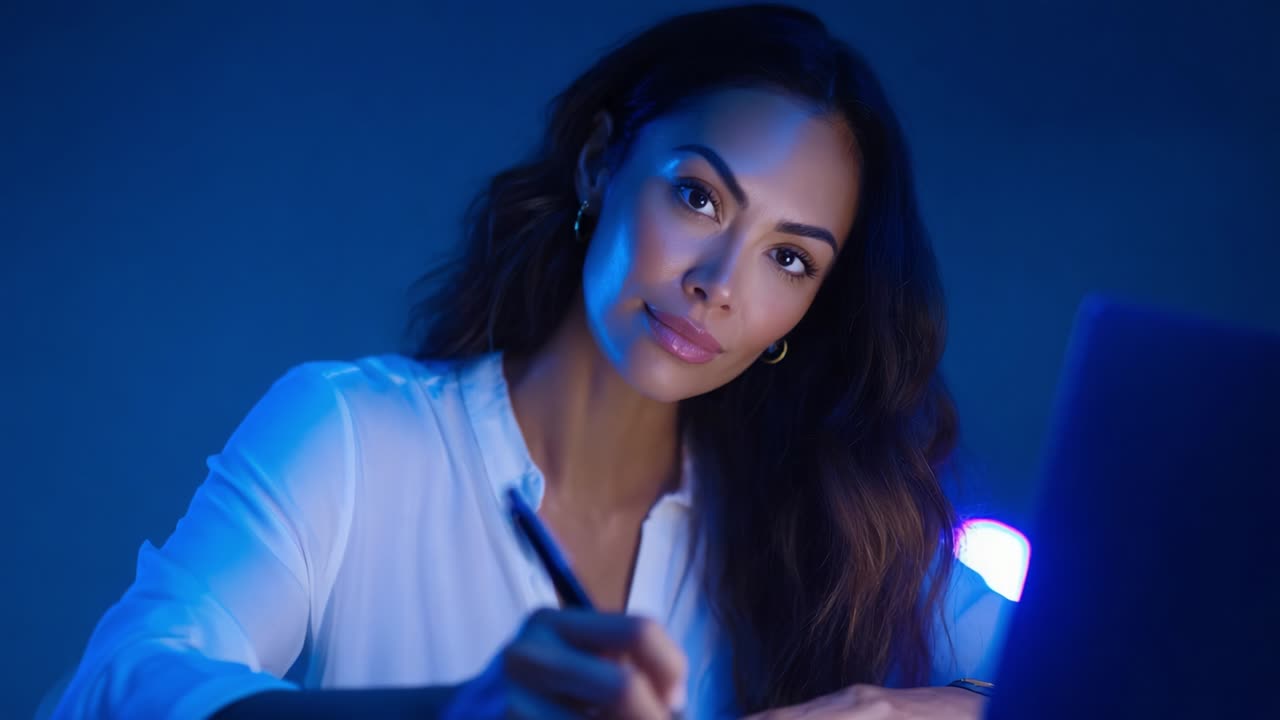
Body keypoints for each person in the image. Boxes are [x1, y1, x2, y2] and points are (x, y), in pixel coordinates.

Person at [52, 4, 1014, 718]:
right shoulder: (357, 435)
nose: (721, 282)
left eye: (790, 258)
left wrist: (884, 712)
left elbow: (1110, 675)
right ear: (601, 162)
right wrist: (461, 709)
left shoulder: (825, 515)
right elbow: (117, 684)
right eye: (699, 197)